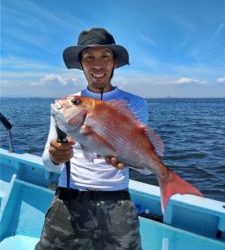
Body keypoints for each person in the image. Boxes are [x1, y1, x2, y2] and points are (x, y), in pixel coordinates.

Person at [35, 28, 148, 250]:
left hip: (118, 201)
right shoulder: (65, 105)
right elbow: (47, 163)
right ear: (81, 64)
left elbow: (141, 160)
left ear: (114, 62)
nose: (97, 65)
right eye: (89, 58)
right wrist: (55, 156)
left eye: (105, 56)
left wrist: (132, 160)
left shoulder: (135, 103)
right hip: (68, 200)